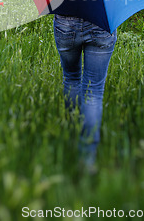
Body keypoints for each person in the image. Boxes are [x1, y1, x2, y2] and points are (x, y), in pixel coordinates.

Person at [53, 13, 117, 172]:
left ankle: (71, 135)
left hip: (66, 22)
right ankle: (87, 156)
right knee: (93, 91)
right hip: (102, 22)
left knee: (71, 78)